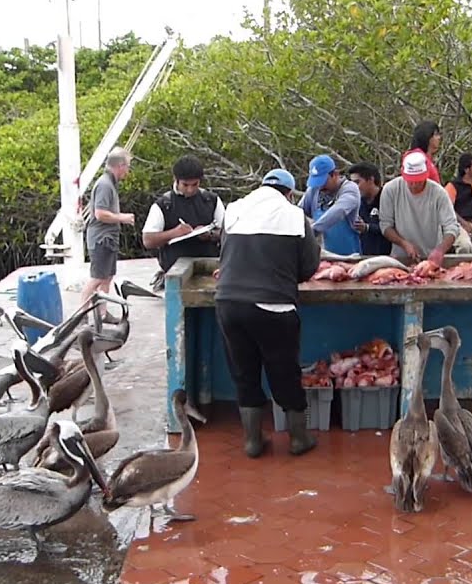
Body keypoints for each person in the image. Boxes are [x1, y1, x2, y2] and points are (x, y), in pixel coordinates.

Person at [216, 168, 322, 459]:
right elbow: (309, 267)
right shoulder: (294, 216)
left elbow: (224, 255)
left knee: (244, 372)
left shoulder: (234, 210)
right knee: (284, 372)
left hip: (228, 303)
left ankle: (252, 441)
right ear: (289, 193)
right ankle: (299, 438)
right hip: (274, 306)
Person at [143, 155, 224, 291]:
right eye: (185, 185)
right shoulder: (164, 204)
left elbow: (227, 232)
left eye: (195, 185)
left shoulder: (211, 200)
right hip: (175, 270)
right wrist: (174, 233)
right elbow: (148, 240)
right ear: (176, 180)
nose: (190, 190)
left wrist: (209, 234)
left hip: (208, 269)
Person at [379, 150, 459, 265]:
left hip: (431, 259)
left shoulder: (439, 193)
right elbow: (385, 225)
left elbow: (451, 226)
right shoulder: (390, 189)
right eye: (410, 181)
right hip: (400, 259)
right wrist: (404, 243)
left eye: (418, 181)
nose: (414, 185)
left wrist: (440, 250)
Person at [80, 148, 136, 315]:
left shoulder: (110, 183)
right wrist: (122, 218)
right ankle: (81, 314)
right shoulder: (105, 184)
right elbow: (100, 213)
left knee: (107, 276)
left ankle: (102, 313)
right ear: (120, 165)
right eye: (127, 166)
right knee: (97, 277)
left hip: (108, 238)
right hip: (101, 239)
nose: (128, 170)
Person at [300, 154, 362, 256]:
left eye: (323, 182)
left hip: (350, 256)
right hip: (323, 256)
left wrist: (314, 230)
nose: (320, 186)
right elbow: (298, 212)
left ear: (335, 174)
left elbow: (339, 211)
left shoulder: (350, 189)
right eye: (317, 182)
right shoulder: (313, 190)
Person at [348, 162, 390, 256]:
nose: (354, 187)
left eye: (357, 182)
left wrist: (367, 227)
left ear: (371, 179)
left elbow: (392, 227)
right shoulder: (357, 203)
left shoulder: (388, 198)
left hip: (388, 258)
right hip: (365, 256)